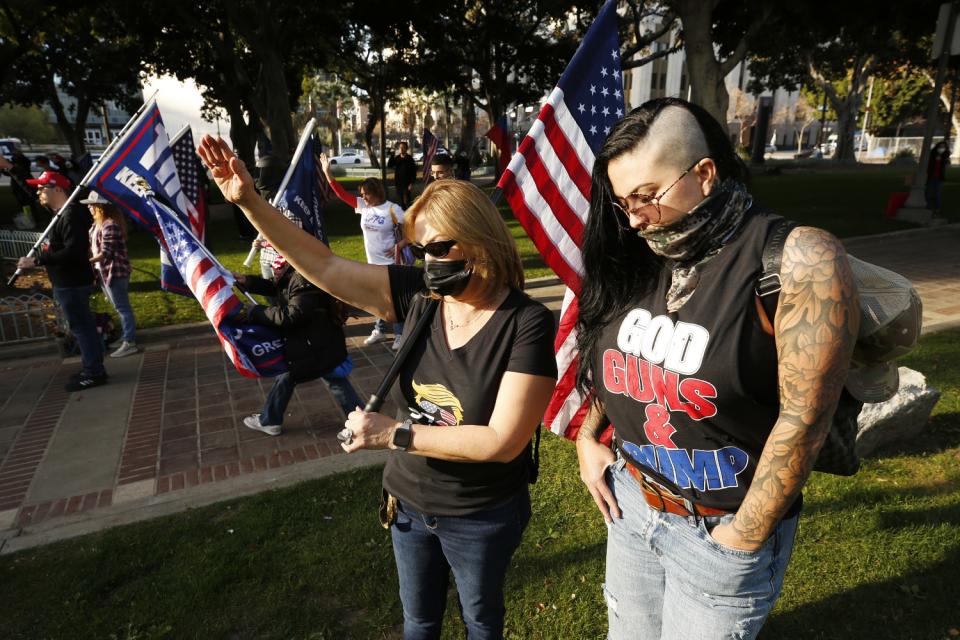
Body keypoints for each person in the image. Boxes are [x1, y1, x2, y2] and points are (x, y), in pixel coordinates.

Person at [199, 132, 557, 640]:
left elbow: (502, 443)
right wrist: (249, 202)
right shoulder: (417, 295)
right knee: (418, 623)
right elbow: (322, 265)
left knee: (480, 623)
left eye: (437, 248)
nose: (427, 262)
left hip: (480, 514)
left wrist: (395, 435)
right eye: (418, 250)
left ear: (477, 242)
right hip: (409, 501)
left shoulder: (527, 324)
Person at [572, 98, 858, 640]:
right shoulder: (641, 252)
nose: (633, 218)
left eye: (646, 196)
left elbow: (804, 419)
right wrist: (589, 436)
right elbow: (617, 359)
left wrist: (740, 540)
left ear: (704, 173)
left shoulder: (800, 260)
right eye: (621, 203)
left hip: (720, 528)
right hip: (631, 505)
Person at [234, 253, 362, 436]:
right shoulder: (296, 267)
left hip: (312, 343)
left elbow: (293, 315)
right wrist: (248, 282)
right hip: (316, 342)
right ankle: (270, 419)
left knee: (305, 375)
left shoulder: (301, 277)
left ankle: (270, 420)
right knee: (327, 378)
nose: (273, 265)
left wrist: (257, 312)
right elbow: (279, 289)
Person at [17, 172, 108, 391]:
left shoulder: (70, 215)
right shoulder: (61, 214)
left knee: (82, 328)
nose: (38, 192)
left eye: (42, 188)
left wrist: (38, 260)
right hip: (67, 282)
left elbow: (74, 252)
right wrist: (11, 168)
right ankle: (92, 367)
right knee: (82, 327)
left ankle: (94, 372)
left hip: (73, 283)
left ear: (58, 189)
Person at [319, 157, 407, 350]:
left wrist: (400, 245)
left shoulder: (393, 209)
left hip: (391, 265)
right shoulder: (363, 207)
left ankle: (400, 333)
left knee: (392, 299)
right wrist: (328, 173)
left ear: (377, 193)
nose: (364, 197)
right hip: (371, 263)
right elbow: (341, 194)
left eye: (367, 194)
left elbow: (414, 231)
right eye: (362, 194)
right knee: (377, 298)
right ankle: (380, 330)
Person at [84, 191, 139, 358]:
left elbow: (106, 252)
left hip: (115, 273)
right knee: (118, 307)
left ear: (100, 207)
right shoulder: (96, 226)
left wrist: (86, 263)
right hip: (104, 272)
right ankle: (125, 337)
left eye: (92, 204)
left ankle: (129, 341)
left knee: (122, 307)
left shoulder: (110, 225)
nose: (89, 207)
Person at [926, 140, 949, 214]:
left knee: (937, 193)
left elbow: (945, 165)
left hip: (939, 178)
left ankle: (937, 208)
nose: (941, 148)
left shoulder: (944, 156)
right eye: (940, 147)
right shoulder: (933, 155)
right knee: (929, 192)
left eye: (943, 147)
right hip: (932, 177)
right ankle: (929, 207)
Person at [392, 141, 417, 208]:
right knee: (401, 202)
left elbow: (413, 172)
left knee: (407, 201)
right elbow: (390, 165)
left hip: (407, 184)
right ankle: (402, 217)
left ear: (406, 149)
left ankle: (409, 215)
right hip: (399, 184)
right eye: (400, 148)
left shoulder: (409, 159)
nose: (401, 149)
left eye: (403, 147)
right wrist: (392, 154)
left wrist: (411, 183)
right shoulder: (397, 158)